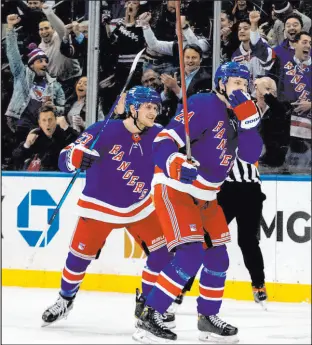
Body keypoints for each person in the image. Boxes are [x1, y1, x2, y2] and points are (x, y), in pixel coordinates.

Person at [133, 61, 263, 343]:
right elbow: (164, 140)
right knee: (189, 255)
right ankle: (150, 316)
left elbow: (250, 155)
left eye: (245, 84)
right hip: (176, 187)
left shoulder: (240, 112)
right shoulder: (203, 103)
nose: (241, 89)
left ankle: (207, 318)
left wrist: (250, 123)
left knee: (219, 257)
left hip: (208, 195)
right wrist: (175, 162)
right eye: (235, 83)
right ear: (220, 83)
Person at [41, 86, 175, 327]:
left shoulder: (159, 134)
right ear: (132, 109)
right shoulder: (103, 129)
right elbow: (65, 157)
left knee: (163, 252)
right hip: (98, 207)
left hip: (139, 207)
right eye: (148, 107)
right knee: (77, 259)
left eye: (156, 107)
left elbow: (172, 157)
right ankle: (65, 299)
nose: (154, 112)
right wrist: (76, 157)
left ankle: (147, 302)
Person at [5, 14, 65, 146]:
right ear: (32, 64)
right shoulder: (22, 74)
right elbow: (13, 54)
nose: (44, 64)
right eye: (40, 61)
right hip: (20, 121)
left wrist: (54, 108)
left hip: (42, 124)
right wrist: (10, 28)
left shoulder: (54, 84)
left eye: (46, 61)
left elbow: (62, 107)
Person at [11, 104, 78, 171]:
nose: (47, 123)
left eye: (50, 120)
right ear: (39, 123)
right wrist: (26, 145)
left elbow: (80, 147)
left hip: (61, 175)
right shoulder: (35, 135)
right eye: (44, 120)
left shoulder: (65, 133)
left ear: (56, 120)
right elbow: (16, 158)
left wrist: (67, 128)